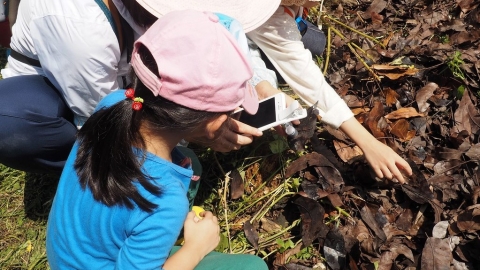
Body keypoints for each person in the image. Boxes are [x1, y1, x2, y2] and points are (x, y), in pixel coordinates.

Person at [46, 10, 268, 270]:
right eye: (230, 110)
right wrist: (196, 248)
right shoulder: (166, 201)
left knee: (189, 163)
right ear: (213, 122)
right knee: (253, 268)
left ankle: (152, 237)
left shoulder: (116, 103)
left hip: (67, 250)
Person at [0, 0, 280, 173]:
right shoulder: (79, 26)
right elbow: (101, 110)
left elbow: (225, 35)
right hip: (58, 90)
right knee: (11, 122)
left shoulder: (148, 13)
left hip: (130, 82)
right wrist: (194, 129)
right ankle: (88, 170)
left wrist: (260, 84)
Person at [247, 0, 414, 183]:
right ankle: (257, 79)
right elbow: (310, 82)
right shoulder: (261, 13)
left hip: (269, 20)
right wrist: (368, 142)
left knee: (316, 42)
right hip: (235, 34)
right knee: (262, 64)